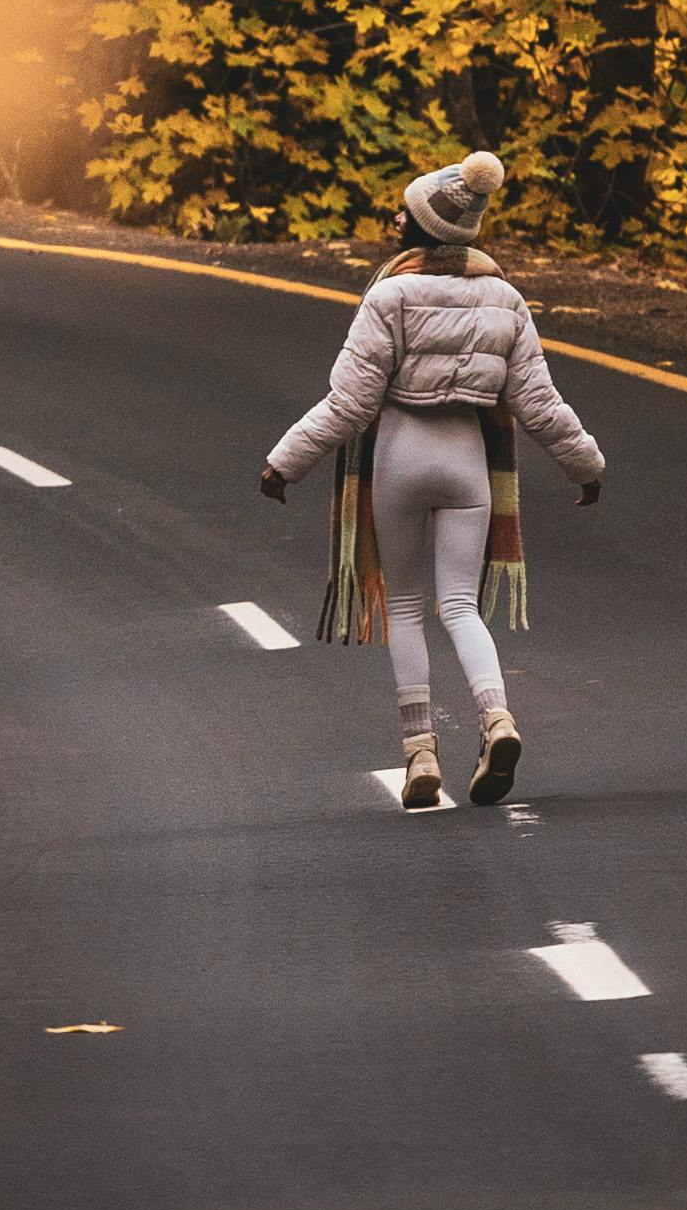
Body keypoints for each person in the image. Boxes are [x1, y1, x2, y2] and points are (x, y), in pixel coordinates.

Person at [259, 149, 607, 808]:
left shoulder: (388, 296)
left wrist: (286, 460)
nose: (394, 220)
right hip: (467, 459)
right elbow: (539, 403)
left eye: (402, 214)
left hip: (401, 453)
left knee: (407, 608)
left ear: (416, 227)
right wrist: (586, 464)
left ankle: (420, 755)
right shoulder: (504, 298)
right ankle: (497, 719)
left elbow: (350, 404)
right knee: (459, 607)